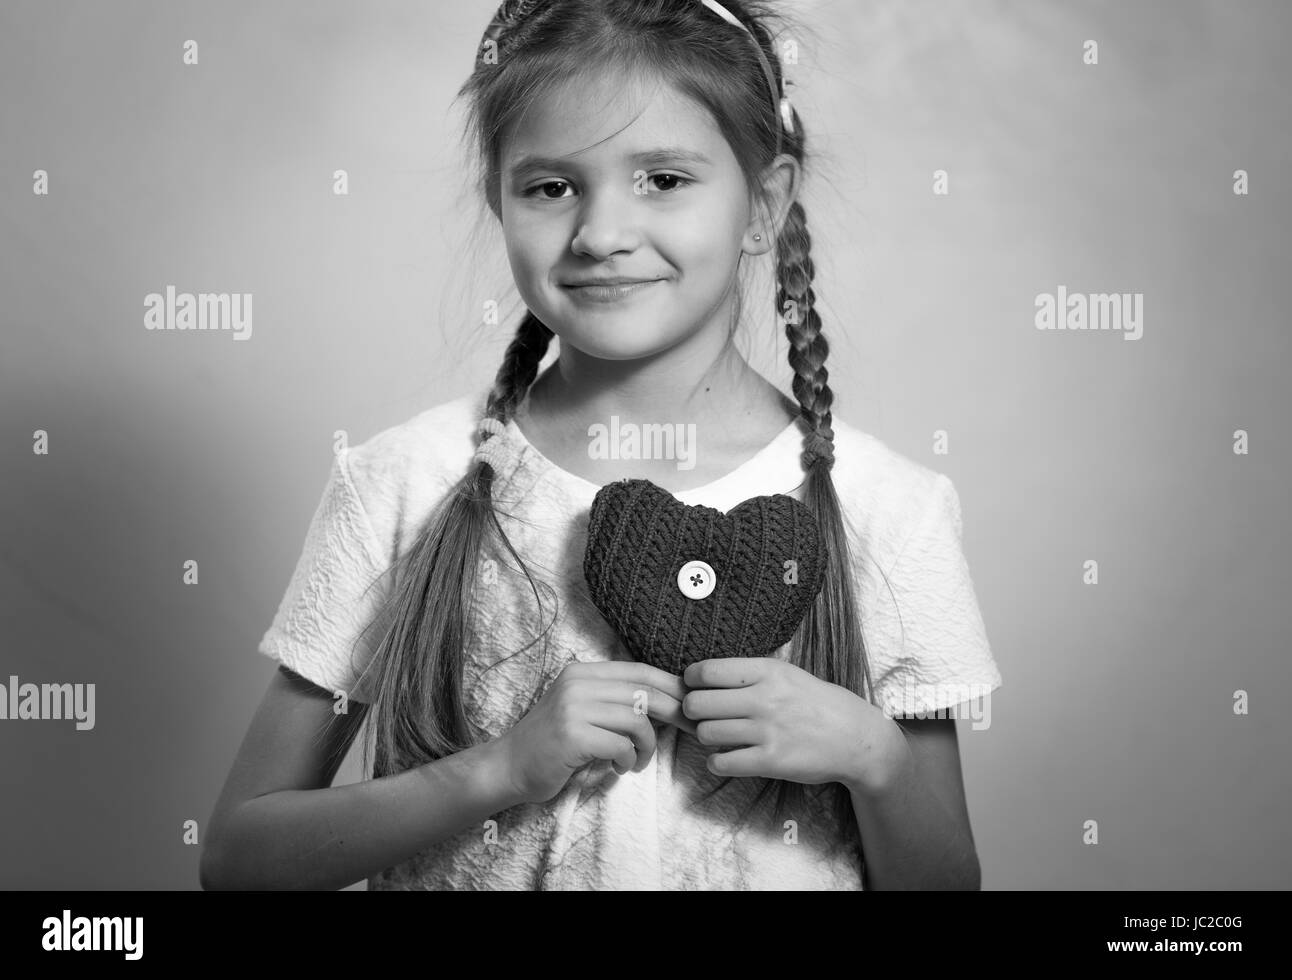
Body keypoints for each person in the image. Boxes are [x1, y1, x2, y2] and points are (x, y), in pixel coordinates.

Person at [201, 0, 1002, 891]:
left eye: (663, 178)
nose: (601, 234)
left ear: (764, 205)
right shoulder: (404, 481)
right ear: (498, 202)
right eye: (551, 187)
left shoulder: (892, 509)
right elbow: (241, 860)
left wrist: (874, 760)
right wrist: (496, 770)